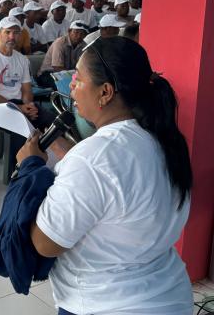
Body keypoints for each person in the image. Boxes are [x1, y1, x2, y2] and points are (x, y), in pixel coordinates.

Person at [21, 36, 193, 315]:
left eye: (78, 79)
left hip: (106, 303)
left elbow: (45, 244)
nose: (71, 86)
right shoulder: (162, 139)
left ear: (105, 92)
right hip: (168, 296)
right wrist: (64, 151)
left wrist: (29, 170)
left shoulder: (94, 158)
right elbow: (110, 179)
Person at [0, 17, 37, 121]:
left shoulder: (22, 59)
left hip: (19, 103)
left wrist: (29, 106)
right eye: (7, 32)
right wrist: (19, 108)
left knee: (52, 123)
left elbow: (26, 89)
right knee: (22, 128)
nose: (12, 37)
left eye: (16, 33)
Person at [37, 21, 89, 87]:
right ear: (69, 31)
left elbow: (85, 65)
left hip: (68, 74)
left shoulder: (84, 45)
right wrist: (74, 77)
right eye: (76, 32)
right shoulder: (60, 43)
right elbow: (57, 68)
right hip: (48, 74)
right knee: (69, 87)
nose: (79, 36)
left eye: (82, 34)